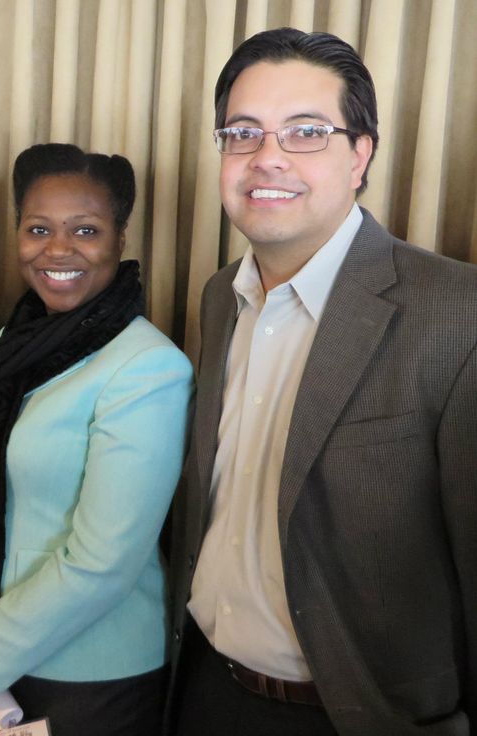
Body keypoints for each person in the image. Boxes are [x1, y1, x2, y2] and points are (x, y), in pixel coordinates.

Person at [167, 27, 477, 736]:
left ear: (360, 155)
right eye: (242, 133)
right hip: (205, 693)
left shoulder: (457, 313)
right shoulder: (222, 297)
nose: (267, 157)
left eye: (306, 132)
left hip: (358, 716)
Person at [0, 143, 194, 735]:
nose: (58, 249)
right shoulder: (15, 340)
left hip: (88, 674)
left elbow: (105, 562)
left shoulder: (148, 368)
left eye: (86, 230)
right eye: (38, 228)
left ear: (120, 240)